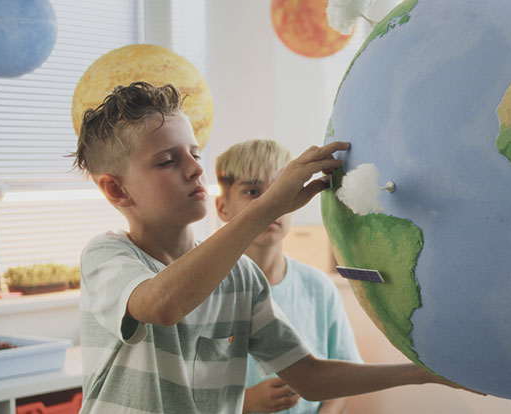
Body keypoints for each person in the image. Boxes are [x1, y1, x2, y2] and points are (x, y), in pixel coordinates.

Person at [71, 82, 456, 413]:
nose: (195, 169)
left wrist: (421, 373)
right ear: (116, 190)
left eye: (195, 153)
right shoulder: (107, 257)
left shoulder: (241, 277)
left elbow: (310, 377)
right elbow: (162, 305)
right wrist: (270, 204)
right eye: (168, 161)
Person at [215, 139, 364, 414]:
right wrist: (244, 403)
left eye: (280, 191)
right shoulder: (206, 291)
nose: (271, 203)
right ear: (223, 207)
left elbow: (344, 378)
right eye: (252, 191)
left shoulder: (319, 288)